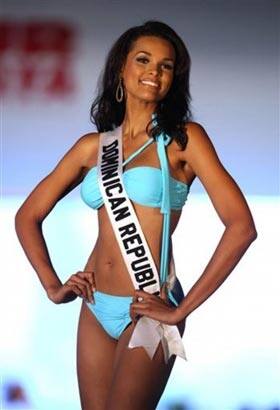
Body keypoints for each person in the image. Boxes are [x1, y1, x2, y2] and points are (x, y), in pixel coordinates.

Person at [15, 20, 257, 410]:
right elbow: (27, 216)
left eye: (166, 65)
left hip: (148, 305)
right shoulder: (91, 148)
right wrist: (52, 285)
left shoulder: (184, 140)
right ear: (120, 70)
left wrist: (180, 310)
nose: (154, 72)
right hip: (94, 305)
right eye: (143, 60)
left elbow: (242, 227)